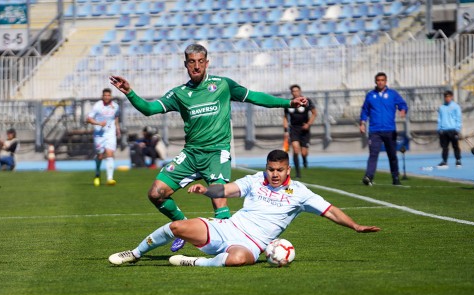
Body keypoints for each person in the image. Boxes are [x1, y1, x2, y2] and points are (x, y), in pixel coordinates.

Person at [109, 43, 308, 252]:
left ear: (207, 63)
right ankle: (184, 226)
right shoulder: (179, 94)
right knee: (156, 193)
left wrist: (288, 103)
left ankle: (232, 247)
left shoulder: (223, 85)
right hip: (191, 154)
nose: (197, 66)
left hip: (216, 153)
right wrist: (129, 92)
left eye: (200, 62)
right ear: (185, 64)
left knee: (219, 199)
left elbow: (255, 97)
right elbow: (149, 109)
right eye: (192, 62)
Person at [108, 149, 380, 267]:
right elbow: (226, 190)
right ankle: (134, 253)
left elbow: (330, 210)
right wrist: (206, 190)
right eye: (271, 169)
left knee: (238, 260)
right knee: (177, 227)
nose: (274, 174)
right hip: (228, 228)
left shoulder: (300, 193)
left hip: (252, 244)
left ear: (288, 169)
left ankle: (194, 262)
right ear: (266, 167)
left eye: (279, 170)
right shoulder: (254, 180)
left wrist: (355, 226)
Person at [359, 72, 408, 186]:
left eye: (382, 80)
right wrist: (362, 123)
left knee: (392, 155)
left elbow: (402, 104)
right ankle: (369, 177)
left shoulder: (392, 94)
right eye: (378, 80)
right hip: (374, 130)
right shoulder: (370, 95)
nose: (380, 82)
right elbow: (365, 110)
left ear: (386, 81)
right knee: (373, 154)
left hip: (389, 129)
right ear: (375, 81)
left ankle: (395, 177)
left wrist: (403, 110)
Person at [86, 88, 121, 186]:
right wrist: (98, 123)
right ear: (102, 96)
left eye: (108, 95)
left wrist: (117, 128)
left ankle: (110, 179)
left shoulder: (115, 106)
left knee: (110, 154)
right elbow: (88, 119)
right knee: (100, 155)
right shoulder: (97, 106)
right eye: (105, 95)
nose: (106, 97)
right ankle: (97, 174)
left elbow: (116, 117)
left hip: (110, 133)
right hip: (99, 134)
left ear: (111, 96)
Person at [283, 84, 317, 178]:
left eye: (297, 91)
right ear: (291, 93)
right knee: (295, 148)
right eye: (293, 91)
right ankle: (298, 173)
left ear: (300, 91)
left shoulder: (307, 101)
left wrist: (308, 124)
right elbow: (285, 117)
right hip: (294, 128)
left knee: (304, 152)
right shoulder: (289, 103)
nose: (295, 93)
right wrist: (286, 130)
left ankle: (305, 159)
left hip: (304, 128)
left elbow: (314, 113)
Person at [437, 90, 462, 168]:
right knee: (444, 147)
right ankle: (444, 161)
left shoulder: (456, 106)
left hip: (453, 129)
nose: (447, 98)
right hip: (444, 130)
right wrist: (439, 129)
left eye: (448, 97)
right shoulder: (441, 107)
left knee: (455, 146)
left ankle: (458, 160)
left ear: (451, 97)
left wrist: (457, 128)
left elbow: (458, 118)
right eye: (445, 97)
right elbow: (439, 119)